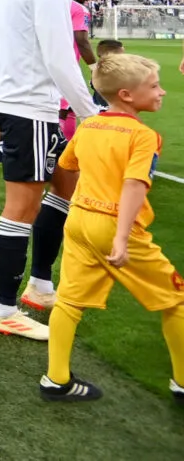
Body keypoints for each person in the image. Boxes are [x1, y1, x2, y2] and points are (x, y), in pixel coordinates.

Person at [0, 0, 99, 340]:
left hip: (18, 103)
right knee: (21, 208)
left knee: (64, 186)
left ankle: (40, 284)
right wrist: (90, 112)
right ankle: (3, 309)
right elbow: (58, 54)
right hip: (30, 105)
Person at [38, 53, 184, 403]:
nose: (162, 92)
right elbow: (135, 184)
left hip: (78, 220)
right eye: (154, 86)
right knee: (177, 299)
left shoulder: (88, 125)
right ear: (127, 95)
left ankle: (56, 379)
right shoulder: (143, 135)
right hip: (116, 225)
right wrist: (120, 237)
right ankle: (182, 382)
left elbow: (65, 163)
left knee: (69, 302)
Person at [59, 0, 98, 143]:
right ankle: (64, 154)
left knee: (64, 110)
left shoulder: (49, 6)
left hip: (40, 67)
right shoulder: (77, 8)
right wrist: (95, 69)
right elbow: (81, 40)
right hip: (64, 69)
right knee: (70, 111)